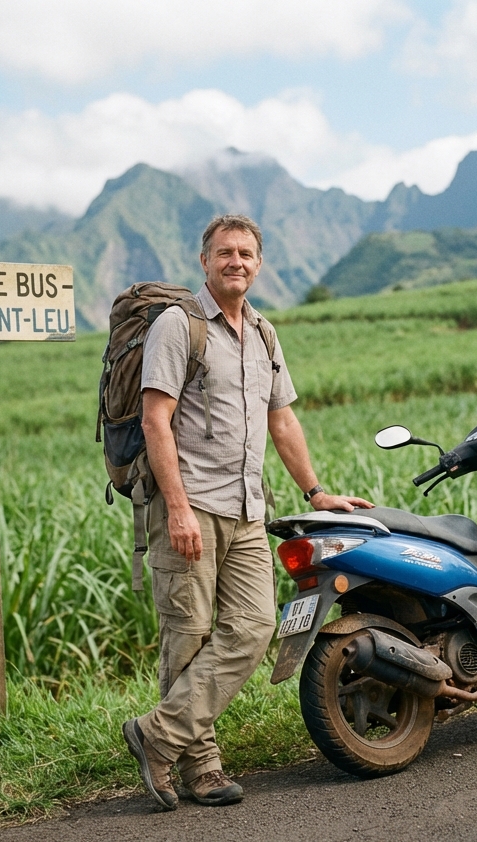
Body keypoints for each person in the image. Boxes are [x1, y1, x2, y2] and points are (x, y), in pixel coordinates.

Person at [122, 214, 373, 810]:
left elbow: (280, 418)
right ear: (204, 261)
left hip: (246, 509)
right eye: (224, 252)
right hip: (190, 506)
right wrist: (177, 509)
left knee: (257, 627)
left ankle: (154, 736)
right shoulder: (177, 327)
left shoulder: (262, 333)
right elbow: (156, 418)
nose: (236, 261)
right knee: (187, 637)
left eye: (246, 253)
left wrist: (315, 491)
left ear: (259, 264)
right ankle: (200, 769)